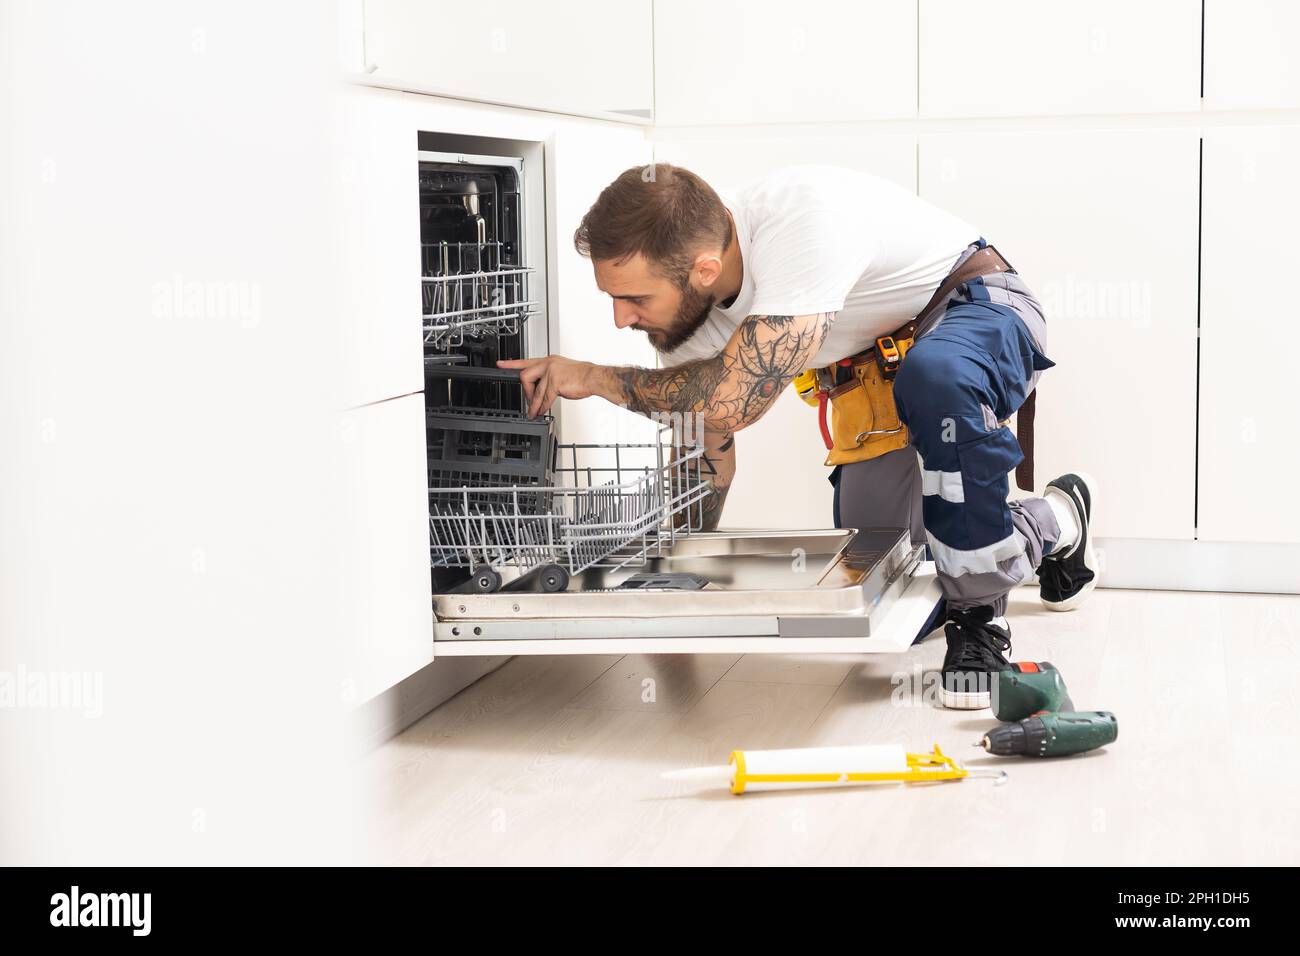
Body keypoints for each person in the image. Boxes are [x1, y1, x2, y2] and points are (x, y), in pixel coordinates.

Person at [498, 163, 1098, 710]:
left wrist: (595, 378)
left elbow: (730, 403)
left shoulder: (803, 225)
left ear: (704, 269)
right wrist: (671, 575)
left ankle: (979, 624)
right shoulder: (688, 315)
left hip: (975, 310)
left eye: (633, 298)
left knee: (936, 382)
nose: (621, 319)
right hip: (878, 369)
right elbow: (706, 450)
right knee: (892, 591)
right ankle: (1060, 518)